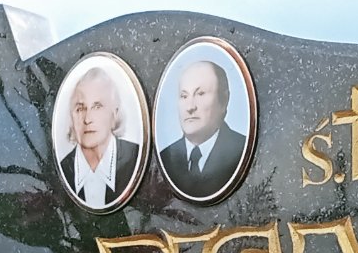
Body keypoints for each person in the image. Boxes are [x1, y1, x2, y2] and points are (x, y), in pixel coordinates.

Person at [158, 56, 248, 201]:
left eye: (200, 94)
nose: (190, 107)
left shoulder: (242, 151)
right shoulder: (165, 158)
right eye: (184, 96)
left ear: (224, 100)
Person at [58, 64, 142, 209]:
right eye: (80, 109)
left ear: (114, 114)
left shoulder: (134, 157)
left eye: (97, 107)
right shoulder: (62, 171)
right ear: (72, 117)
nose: (87, 119)